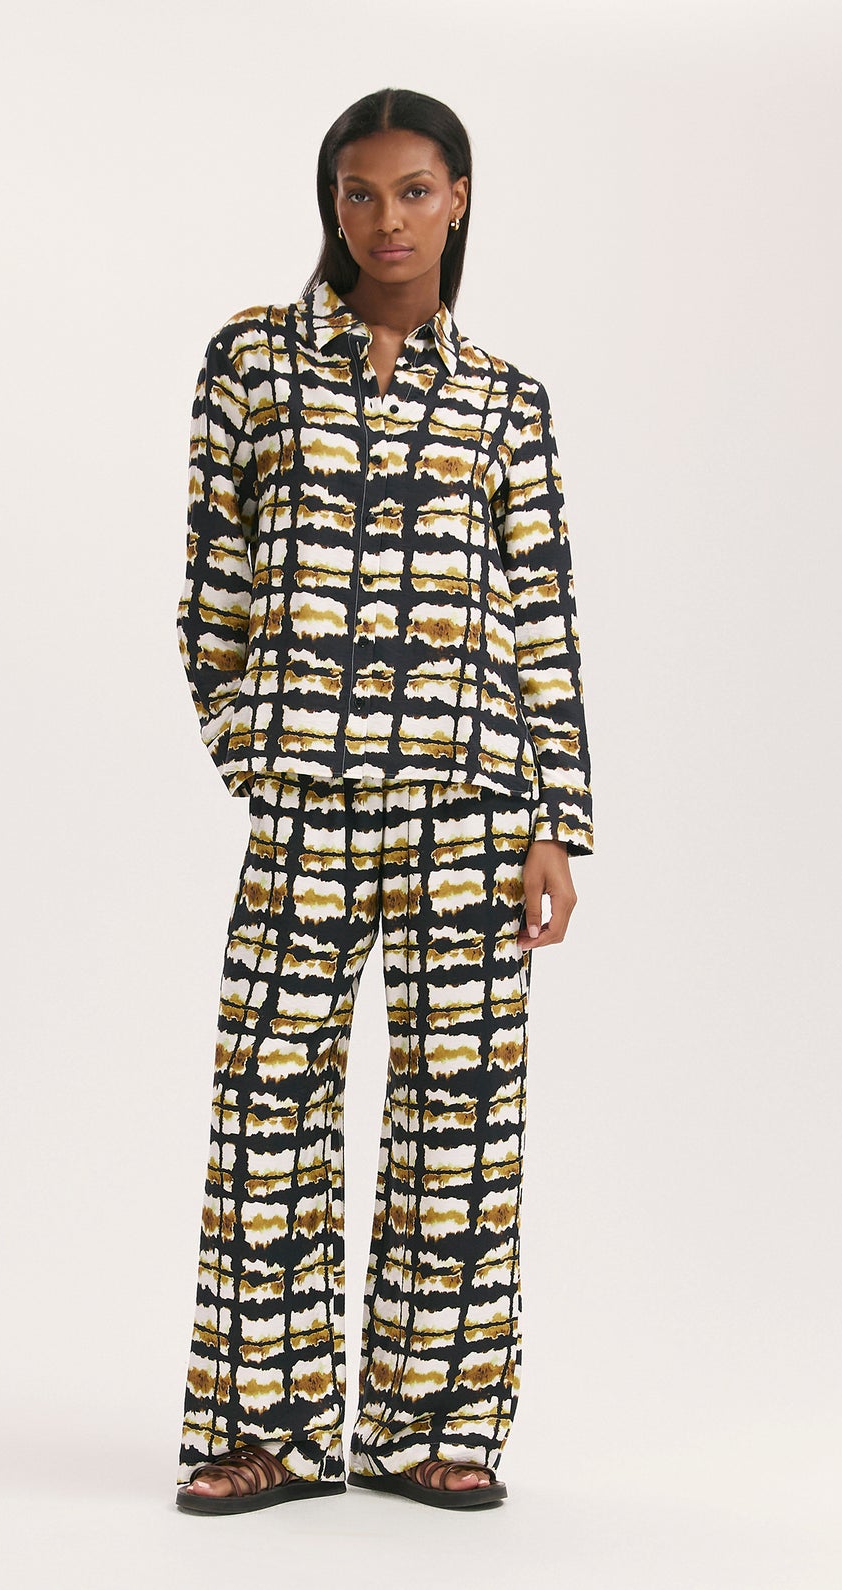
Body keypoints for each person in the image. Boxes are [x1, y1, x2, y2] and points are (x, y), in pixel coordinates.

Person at [172, 87, 595, 1515]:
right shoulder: (252, 360)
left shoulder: (505, 399)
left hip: (472, 806)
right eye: (360, 194)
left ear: (458, 199)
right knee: (266, 1102)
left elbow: (540, 615)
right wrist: (254, 745)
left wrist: (553, 820)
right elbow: (214, 578)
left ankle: (432, 1425)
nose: (387, 219)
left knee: (459, 1124)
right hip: (305, 800)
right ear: (331, 205)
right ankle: (267, 1430)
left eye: (415, 191)